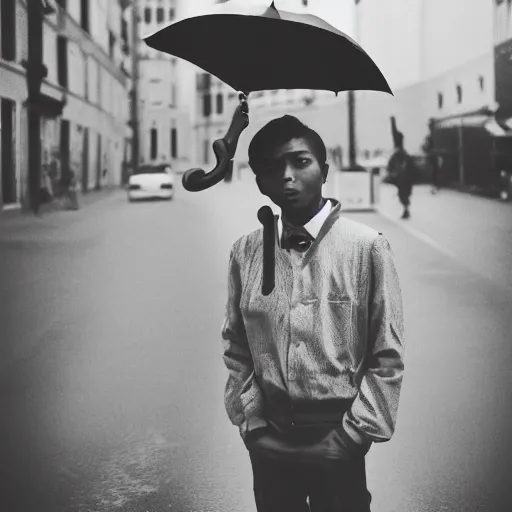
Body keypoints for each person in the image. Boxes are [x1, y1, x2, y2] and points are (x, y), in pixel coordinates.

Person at [222, 115, 406, 512]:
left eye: (300, 162)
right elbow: (236, 346)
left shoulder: (366, 248)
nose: (287, 176)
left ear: (324, 170)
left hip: (337, 436)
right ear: (260, 184)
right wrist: (251, 420)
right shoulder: (246, 252)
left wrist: (354, 435)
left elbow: (386, 354)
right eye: (273, 168)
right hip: (269, 437)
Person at [387, 132, 415, 219]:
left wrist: (392, 173)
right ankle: (406, 209)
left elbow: (390, 166)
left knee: (403, 195)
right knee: (404, 194)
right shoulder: (404, 155)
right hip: (405, 179)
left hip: (403, 179)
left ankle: (406, 210)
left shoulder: (398, 155)